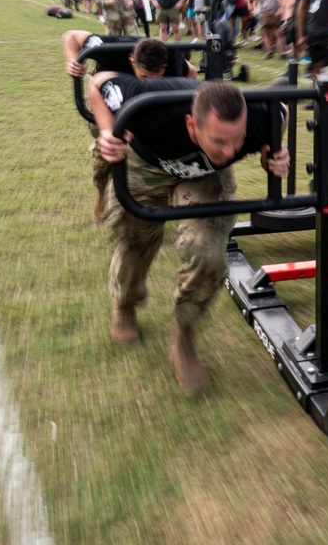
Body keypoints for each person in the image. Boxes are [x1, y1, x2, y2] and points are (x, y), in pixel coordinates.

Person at [94, 78, 290, 395]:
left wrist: (272, 154)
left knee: (209, 254)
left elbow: (280, 111)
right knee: (135, 240)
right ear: (191, 125)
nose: (230, 151)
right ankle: (125, 304)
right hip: (149, 162)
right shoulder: (152, 105)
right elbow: (98, 84)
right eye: (219, 141)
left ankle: (183, 336)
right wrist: (106, 131)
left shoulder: (256, 120)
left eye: (237, 140)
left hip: (205, 175)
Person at [63, 32, 197, 221]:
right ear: (132, 60)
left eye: (155, 78)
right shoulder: (108, 49)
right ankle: (101, 188)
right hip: (105, 96)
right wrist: (72, 61)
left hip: (142, 104)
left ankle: (154, 192)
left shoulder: (172, 58)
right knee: (108, 146)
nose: (148, 83)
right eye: (144, 76)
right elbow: (72, 37)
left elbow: (191, 73)